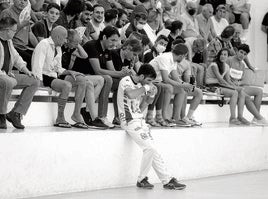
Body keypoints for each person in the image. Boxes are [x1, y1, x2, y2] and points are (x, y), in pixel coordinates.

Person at [117, 63, 187, 190]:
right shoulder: (126, 80)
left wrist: (151, 96)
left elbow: (142, 107)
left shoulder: (140, 85)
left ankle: (167, 180)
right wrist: (146, 88)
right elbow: (131, 95)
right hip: (128, 120)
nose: (150, 83)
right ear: (142, 76)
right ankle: (142, 179)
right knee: (149, 148)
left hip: (139, 120)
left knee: (154, 150)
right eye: (148, 80)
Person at [32, 26, 88, 129]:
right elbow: (37, 67)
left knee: (82, 80)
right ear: (58, 37)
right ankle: (60, 118)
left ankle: (76, 114)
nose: (66, 40)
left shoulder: (58, 48)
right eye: (65, 37)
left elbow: (58, 68)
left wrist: (70, 72)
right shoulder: (43, 44)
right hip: (43, 76)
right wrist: (38, 83)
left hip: (53, 76)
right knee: (67, 85)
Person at [73, 26, 128, 128]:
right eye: (112, 40)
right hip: (80, 75)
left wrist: (123, 73)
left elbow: (112, 71)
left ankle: (117, 117)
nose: (115, 44)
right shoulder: (92, 46)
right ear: (104, 37)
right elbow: (97, 70)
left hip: (93, 77)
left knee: (120, 82)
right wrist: (120, 73)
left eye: (117, 41)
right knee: (107, 78)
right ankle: (102, 116)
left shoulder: (107, 50)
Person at [61, 29, 107, 128]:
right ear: (67, 40)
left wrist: (77, 44)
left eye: (78, 43)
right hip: (63, 75)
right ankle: (92, 116)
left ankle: (88, 112)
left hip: (72, 75)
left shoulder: (72, 48)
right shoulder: (60, 47)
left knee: (99, 80)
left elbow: (85, 55)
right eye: (75, 43)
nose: (76, 45)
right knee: (88, 83)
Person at [0, 17, 39, 129]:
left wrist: (27, 71)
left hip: (7, 75)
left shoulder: (9, 41)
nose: (15, 32)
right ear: (7, 30)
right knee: (8, 82)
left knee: (34, 81)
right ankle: (1, 115)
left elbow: (16, 58)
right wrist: (5, 75)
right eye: (14, 30)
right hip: (3, 76)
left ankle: (16, 113)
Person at [149, 43, 196, 126]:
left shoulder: (174, 60)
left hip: (158, 81)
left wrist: (185, 85)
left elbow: (176, 77)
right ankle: (163, 117)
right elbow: (166, 79)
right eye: (185, 56)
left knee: (181, 90)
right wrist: (183, 85)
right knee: (169, 87)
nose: (184, 58)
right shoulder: (165, 58)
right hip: (150, 80)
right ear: (182, 55)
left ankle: (175, 118)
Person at [226, 44, 268, 125]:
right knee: (246, 97)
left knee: (259, 91)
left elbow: (241, 80)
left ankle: (256, 118)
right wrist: (234, 84)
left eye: (245, 54)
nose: (242, 55)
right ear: (236, 51)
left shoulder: (242, 65)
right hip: (230, 86)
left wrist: (240, 83)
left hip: (238, 87)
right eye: (241, 52)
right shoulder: (229, 60)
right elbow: (224, 76)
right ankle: (259, 117)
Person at [206, 48, 249, 125]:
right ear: (219, 55)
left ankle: (240, 116)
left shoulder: (226, 66)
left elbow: (228, 80)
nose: (222, 56)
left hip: (220, 85)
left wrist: (234, 86)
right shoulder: (214, 65)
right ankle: (232, 118)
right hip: (211, 86)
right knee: (234, 93)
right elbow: (220, 79)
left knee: (241, 92)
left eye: (225, 55)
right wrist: (233, 88)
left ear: (228, 56)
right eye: (221, 54)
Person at [0, 0, 39, 70]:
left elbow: (30, 34)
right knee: (33, 60)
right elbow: (6, 33)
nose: (22, 2)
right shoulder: (7, 13)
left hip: (25, 47)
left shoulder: (25, 14)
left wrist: (39, 47)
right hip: (13, 46)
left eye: (25, 0)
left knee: (39, 56)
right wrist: (22, 24)